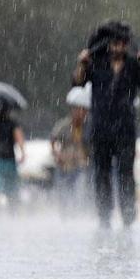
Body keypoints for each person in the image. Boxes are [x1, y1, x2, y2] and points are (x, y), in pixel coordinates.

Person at [73, 20, 140, 229]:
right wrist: (82, 63)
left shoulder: (134, 65)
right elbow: (77, 82)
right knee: (101, 173)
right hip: (100, 127)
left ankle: (128, 215)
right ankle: (104, 216)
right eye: (115, 43)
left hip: (125, 127)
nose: (119, 47)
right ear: (108, 44)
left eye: (122, 43)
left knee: (126, 172)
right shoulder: (95, 63)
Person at [50, 87, 91, 217]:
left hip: (81, 166)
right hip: (64, 166)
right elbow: (52, 140)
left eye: (83, 110)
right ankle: (66, 217)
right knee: (63, 196)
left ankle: (78, 216)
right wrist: (56, 154)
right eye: (77, 109)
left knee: (80, 193)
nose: (80, 113)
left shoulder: (89, 127)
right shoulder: (64, 125)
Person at [0, 107, 26, 211]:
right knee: (12, 191)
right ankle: (13, 214)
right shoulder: (12, 123)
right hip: (9, 160)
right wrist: (23, 153)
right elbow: (19, 137)